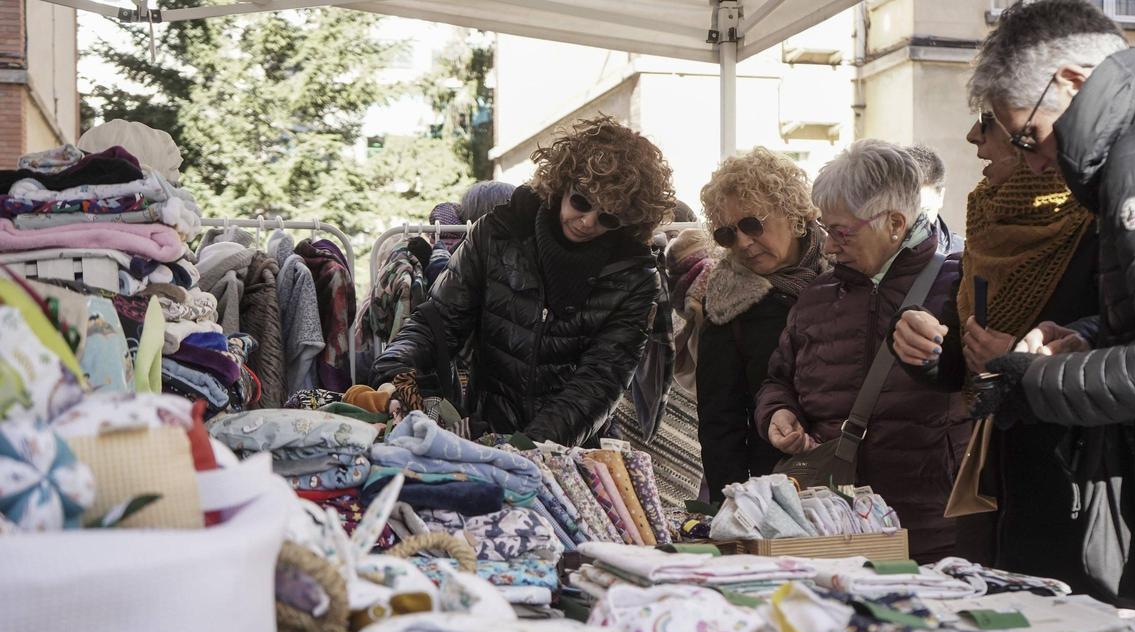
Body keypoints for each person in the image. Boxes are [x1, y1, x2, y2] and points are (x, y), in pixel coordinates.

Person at [964, 0, 1135, 610]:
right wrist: (1091, 337)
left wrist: (1033, 380)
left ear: (1070, 80)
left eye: (1029, 136)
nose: (1035, 159)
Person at [372, 115, 675, 448]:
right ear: (562, 182)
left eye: (608, 217)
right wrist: (394, 371)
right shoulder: (497, 233)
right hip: (483, 430)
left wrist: (527, 447)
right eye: (582, 201)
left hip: (568, 451)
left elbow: (599, 383)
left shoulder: (635, 278)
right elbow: (439, 320)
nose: (587, 221)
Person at [891, 110, 1100, 589]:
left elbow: (1125, 341)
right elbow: (959, 348)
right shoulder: (986, 219)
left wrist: (1022, 365)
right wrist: (916, 339)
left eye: (988, 120)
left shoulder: (1096, 222)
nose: (972, 137)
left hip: (1073, 488)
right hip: (991, 485)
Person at [755, 140, 968, 562]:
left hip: (931, 527)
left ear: (894, 223)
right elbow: (778, 379)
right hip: (832, 525)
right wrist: (777, 412)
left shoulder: (960, 283)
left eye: (841, 232)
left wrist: (941, 357)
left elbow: (987, 381)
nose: (829, 247)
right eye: (826, 230)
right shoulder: (816, 296)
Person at [692, 147, 828, 503]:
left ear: (793, 211)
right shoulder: (727, 302)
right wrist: (734, 506)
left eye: (752, 224)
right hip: (777, 490)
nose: (743, 243)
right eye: (727, 235)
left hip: (860, 479)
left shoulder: (848, 273)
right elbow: (720, 422)